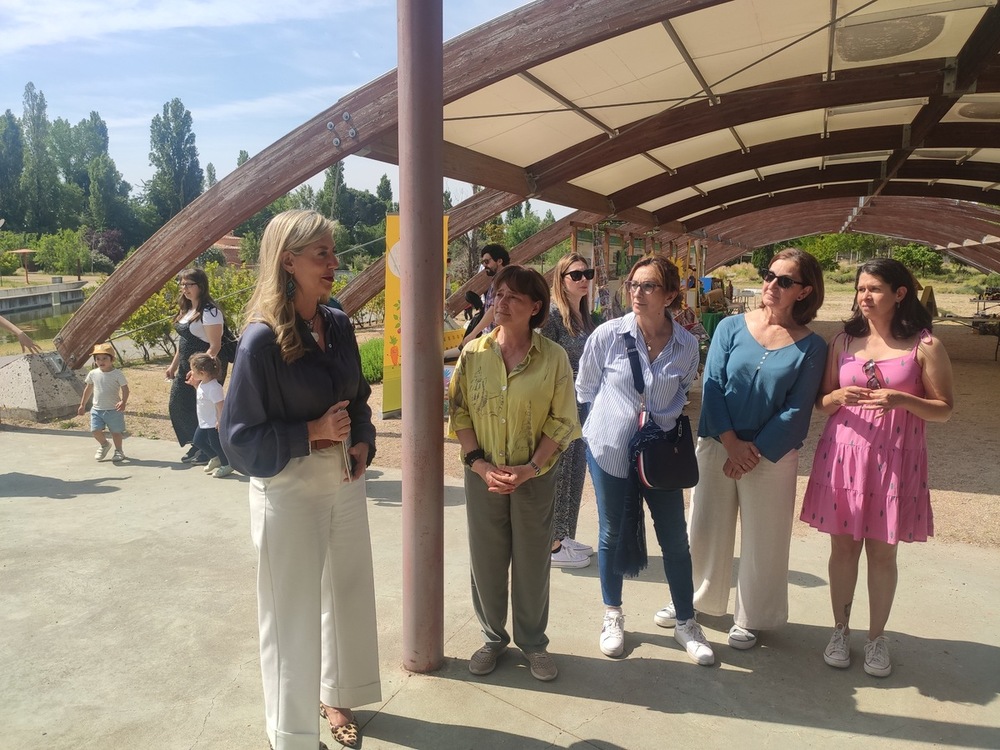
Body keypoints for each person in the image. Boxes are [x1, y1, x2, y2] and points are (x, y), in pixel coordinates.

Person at [220, 209, 379, 750]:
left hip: (343, 480)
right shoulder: (260, 341)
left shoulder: (336, 323)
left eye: (333, 253)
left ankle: (339, 696)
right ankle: (289, 734)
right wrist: (308, 433)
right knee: (291, 615)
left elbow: (358, 399)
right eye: (322, 255)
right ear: (288, 260)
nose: (335, 264)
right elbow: (238, 439)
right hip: (286, 489)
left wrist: (362, 440)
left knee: (349, 593)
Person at [665, 249, 825, 652]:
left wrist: (753, 452)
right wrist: (732, 443)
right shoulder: (731, 327)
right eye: (769, 275)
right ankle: (696, 600)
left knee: (766, 538)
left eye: (784, 281)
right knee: (703, 525)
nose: (771, 285)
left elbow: (797, 408)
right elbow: (713, 385)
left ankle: (752, 616)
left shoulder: (813, 347)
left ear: (804, 291)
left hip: (771, 457)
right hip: (718, 444)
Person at [801, 258, 953, 678]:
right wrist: (837, 397)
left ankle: (876, 638)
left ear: (899, 294)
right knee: (843, 548)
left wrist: (901, 400)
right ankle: (840, 630)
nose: (864, 297)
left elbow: (944, 410)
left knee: (883, 553)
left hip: (896, 460)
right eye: (860, 288)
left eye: (874, 289)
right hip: (845, 456)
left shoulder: (925, 346)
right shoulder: (842, 342)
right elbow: (822, 401)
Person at [576, 256, 713, 665]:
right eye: (633, 284)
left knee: (673, 537)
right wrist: (604, 432)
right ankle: (613, 615)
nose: (636, 292)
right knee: (612, 532)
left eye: (648, 286)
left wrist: (654, 429)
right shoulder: (608, 335)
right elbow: (585, 389)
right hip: (609, 452)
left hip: (660, 455)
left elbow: (682, 391)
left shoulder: (686, 345)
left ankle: (685, 622)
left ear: (670, 294)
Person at [449, 265, 581, 682]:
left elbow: (562, 422)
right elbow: (460, 413)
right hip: (483, 475)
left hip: (534, 478)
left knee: (531, 563)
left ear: (535, 307)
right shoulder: (474, 354)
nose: (500, 303)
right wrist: (481, 464)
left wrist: (529, 469)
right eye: (497, 295)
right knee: (486, 560)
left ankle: (533, 643)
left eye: (512, 298)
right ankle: (492, 637)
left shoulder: (553, 357)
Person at [540, 253, 597, 569]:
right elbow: (539, 363)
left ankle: (565, 535)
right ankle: (552, 543)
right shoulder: (552, 317)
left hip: (583, 406)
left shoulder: (585, 318)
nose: (584, 279)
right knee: (559, 474)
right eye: (576, 275)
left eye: (587, 273)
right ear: (561, 280)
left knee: (575, 472)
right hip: (560, 405)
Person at [165, 267, 225, 464]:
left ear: (201, 286)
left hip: (204, 369)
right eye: (182, 284)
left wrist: (199, 372)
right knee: (179, 405)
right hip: (187, 366)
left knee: (203, 409)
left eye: (189, 284)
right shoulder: (187, 309)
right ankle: (198, 444)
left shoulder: (210, 311)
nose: (185, 288)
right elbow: (183, 343)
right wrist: (174, 365)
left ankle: (207, 449)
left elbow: (215, 345)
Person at [77, 342, 129, 463]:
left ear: (112, 359)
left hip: (114, 409)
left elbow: (125, 389)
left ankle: (119, 451)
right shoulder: (93, 373)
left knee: (116, 432)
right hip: (97, 409)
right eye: (98, 358)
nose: (101, 361)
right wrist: (82, 404)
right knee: (95, 431)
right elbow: (88, 388)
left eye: (105, 358)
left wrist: (123, 401)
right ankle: (105, 444)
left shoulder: (117, 374)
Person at [188, 353, 234, 478]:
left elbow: (221, 406)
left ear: (202, 372)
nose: (191, 372)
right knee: (198, 441)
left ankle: (226, 464)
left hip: (213, 423)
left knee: (216, 444)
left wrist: (220, 420)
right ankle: (215, 458)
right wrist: (195, 385)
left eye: (193, 370)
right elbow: (203, 397)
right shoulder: (203, 383)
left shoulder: (214, 387)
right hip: (204, 421)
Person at [461, 243, 510, 345]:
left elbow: (493, 309)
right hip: (492, 336)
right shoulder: (498, 280)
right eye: (483, 262)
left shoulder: (503, 282)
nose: (484, 265)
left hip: (495, 339)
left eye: (487, 261)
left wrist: (473, 333)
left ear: (499, 261)